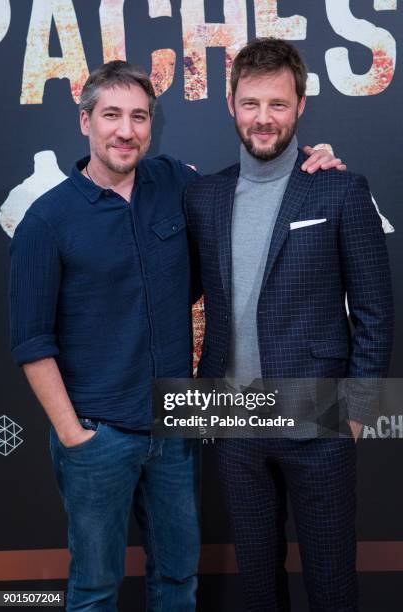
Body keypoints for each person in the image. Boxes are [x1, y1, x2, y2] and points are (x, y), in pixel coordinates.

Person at [9, 59, 345, 611]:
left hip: (175, 429)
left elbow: (255, 187)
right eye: (112, 115)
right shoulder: (47, 221)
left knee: (178, 580)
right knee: (94, 588)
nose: (126, 130)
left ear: (151, 124)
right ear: (84, 121)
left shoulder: (176, 184)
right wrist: (73, 436)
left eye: (139, 116)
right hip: (97, 435)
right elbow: (31, 342)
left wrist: (314, 160)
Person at [184, 38, 393, 611]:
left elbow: (374, 311)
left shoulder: (340, 188)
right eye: (251, 104)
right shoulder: (203, 197)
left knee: (331, 585)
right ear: (230, 104)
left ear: (301, 105)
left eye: (278, 104)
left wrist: (356, 414)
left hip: (319, 419)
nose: (263, 118)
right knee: (257, 587)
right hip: (234, 423)